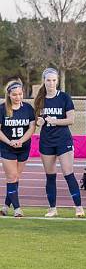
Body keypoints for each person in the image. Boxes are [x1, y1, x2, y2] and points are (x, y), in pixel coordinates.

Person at [34, 68, 85, 218]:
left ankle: (79, 207)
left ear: (57, 81)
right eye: (48, 80)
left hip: (63, 140)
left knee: (68, 173)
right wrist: (40, 121)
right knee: (50, 175)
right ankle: (52, 209)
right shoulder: (39, 99)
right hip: (47, 141)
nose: (51, 83)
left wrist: (55, 121)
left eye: (54, 80)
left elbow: (71, 120)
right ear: (44, 81)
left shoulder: (64, 97)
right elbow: (36, 120)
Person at [0, 80, 36, 217]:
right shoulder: (2, 109)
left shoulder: (27, 108)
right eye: (14, 94)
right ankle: (17, 208)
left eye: (20, 94)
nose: (18, 97)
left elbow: (32, 127)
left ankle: (5, 206)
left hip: (23, 147)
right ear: (9, 95)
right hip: (7, 147)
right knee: (12, 177)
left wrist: (21, 141)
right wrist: (9, 142)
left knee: (15, 177)